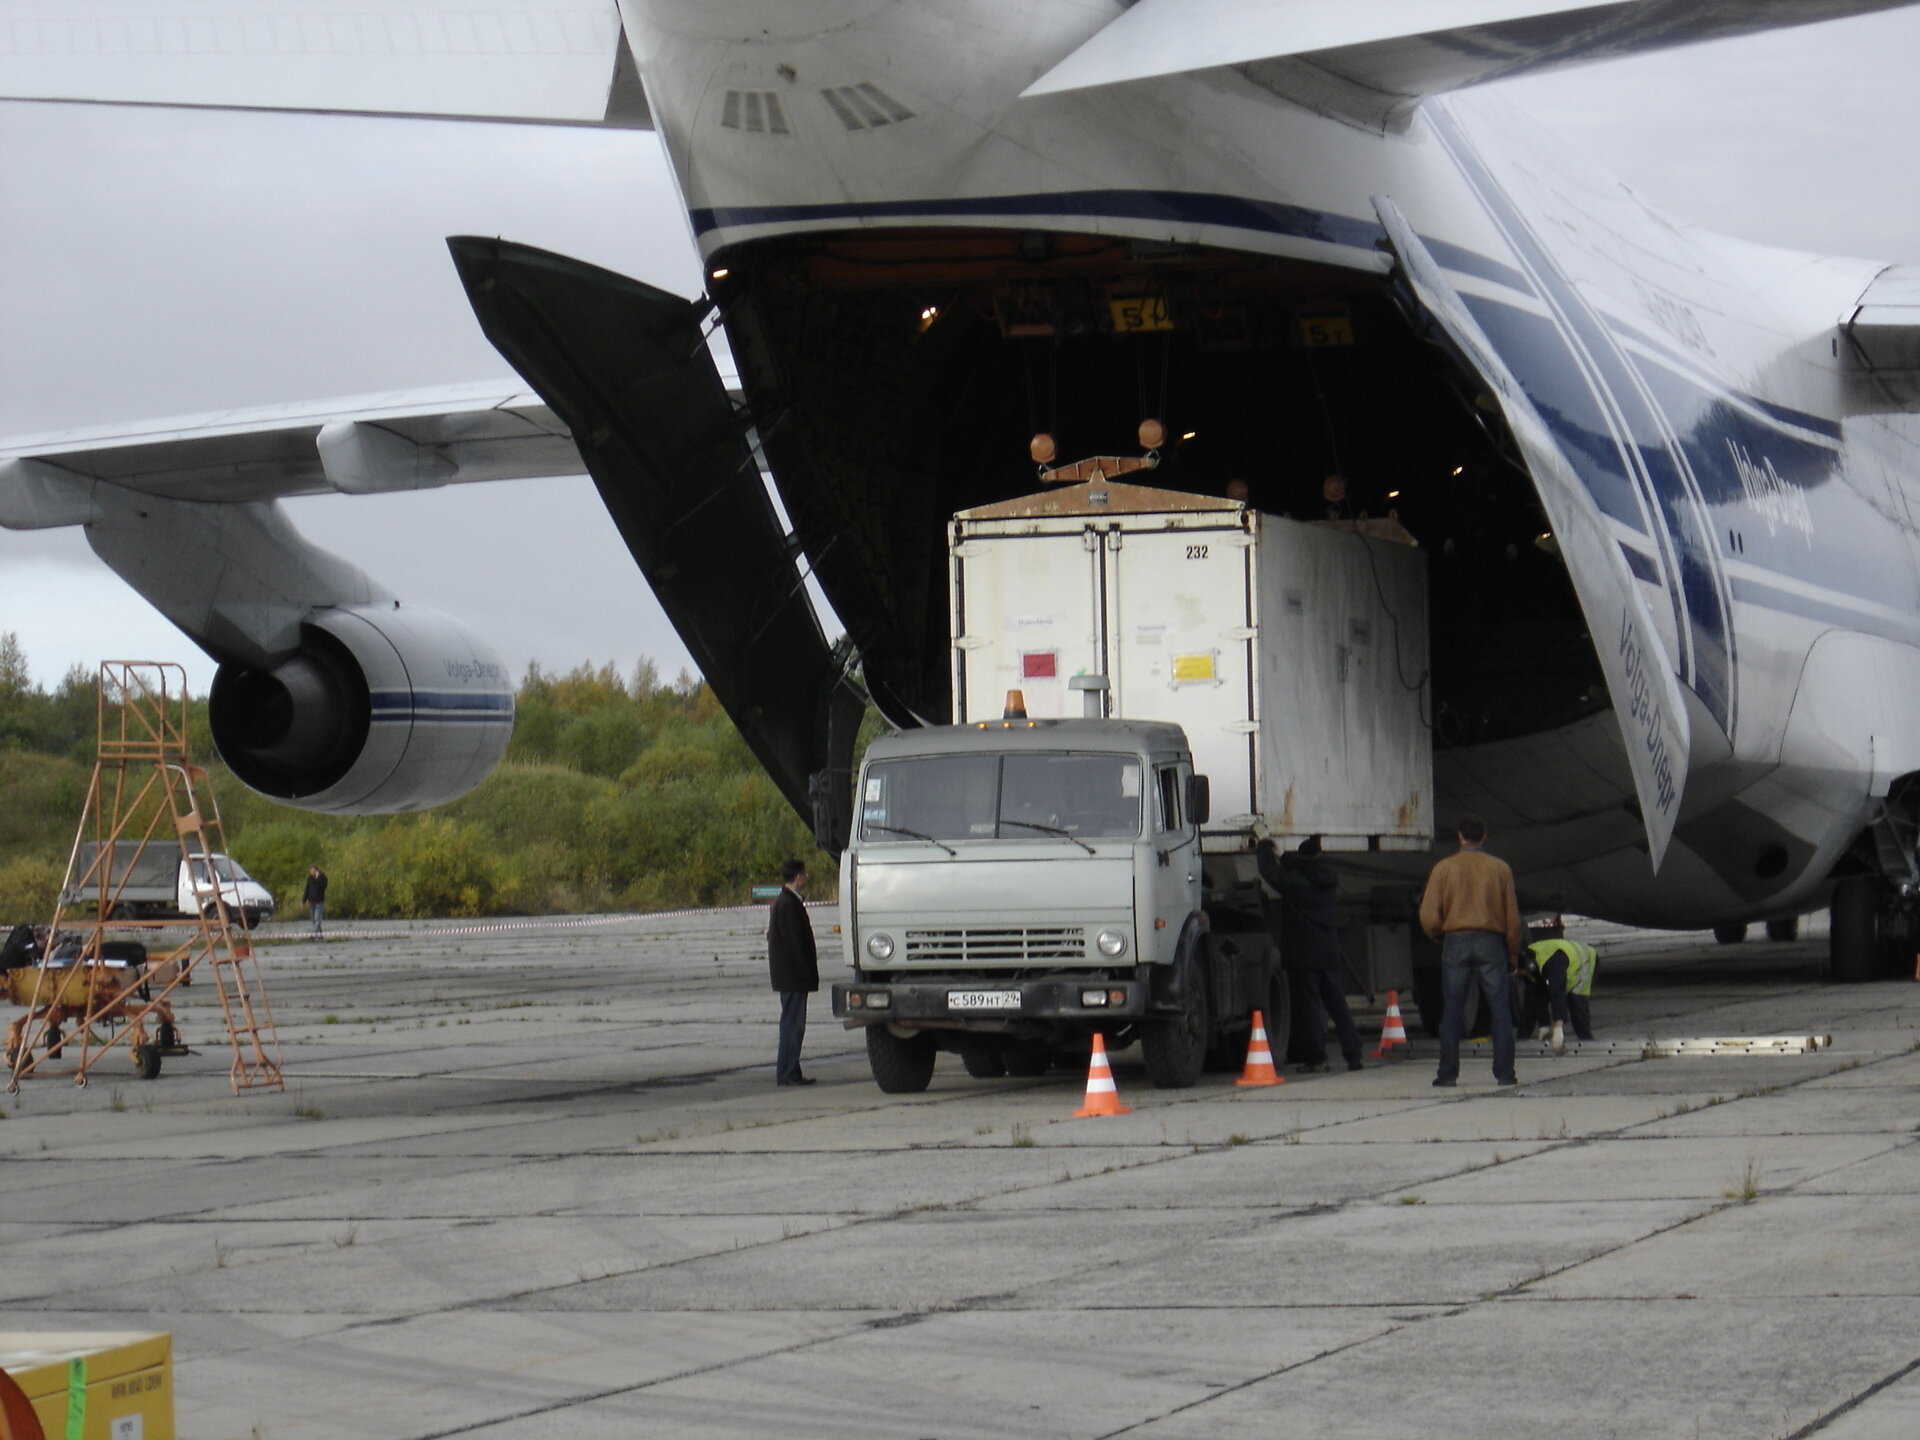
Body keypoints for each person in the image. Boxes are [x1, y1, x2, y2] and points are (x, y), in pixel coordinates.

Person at [1419, 814, 1524, 1088]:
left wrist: (1437, 934)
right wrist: (1512, 954)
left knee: (1452, 1011)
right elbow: (1512, 918)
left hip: (1456, 940)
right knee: (1500, 1010)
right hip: (1491, 941)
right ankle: (1504, 1074)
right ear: (1484, 836)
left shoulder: (1444, 868)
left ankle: (1447, 1074)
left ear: (1460, 836)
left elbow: (1428, 914)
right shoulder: (1500, 869)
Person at [1256, 834, 1363, 1072]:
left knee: (1310, 1008)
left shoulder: (1296, 883)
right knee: (1338, 1005)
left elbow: (1271, 873)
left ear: (1302, 858)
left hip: (1303, 953)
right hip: (1328, 952)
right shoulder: (1328, 879)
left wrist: (1264, 847)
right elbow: (1293, 869)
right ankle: (1353, 1055)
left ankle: (1316, 1058)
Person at [767, 858, 820, 1086]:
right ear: (798, 876)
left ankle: (791, 1070)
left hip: (789, 976)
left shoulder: (784, 902)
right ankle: (787, 1072)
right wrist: (805, 974)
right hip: (793, 976)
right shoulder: (788, 904)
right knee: (792, 1025)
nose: (806, 878)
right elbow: (794, 944)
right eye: (805, 874)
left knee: (792, 1024)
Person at [1518, 918, 1597, 1052]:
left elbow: (1558, 993)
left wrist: (1558, 1026)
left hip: (1586, 963)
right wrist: (1544, 1024)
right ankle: (1521, 1037)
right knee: (1532, 998)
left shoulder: (1551, 963)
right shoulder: (1529, 960)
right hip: (1557, 966)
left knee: (1576, 1003)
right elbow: (1536, 994)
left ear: (1529, 966)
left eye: (1520, 971)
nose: (1519, 974)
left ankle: (1586, 1040)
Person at [303, 865, 328, 937]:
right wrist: (303, 900)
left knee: (318, 918)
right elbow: (307, 889)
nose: (312, 873)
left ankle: (314, 934)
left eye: (313, 871)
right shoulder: (310, 878)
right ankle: (319, 935)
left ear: (317, 871)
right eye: (311, 871)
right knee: (313, 920)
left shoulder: (323, 878)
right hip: (311, 901)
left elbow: (323, 887)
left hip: (319, 902)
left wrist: (317, 879)